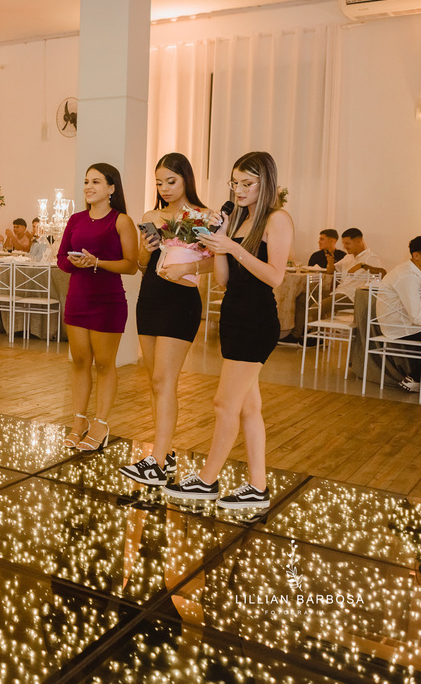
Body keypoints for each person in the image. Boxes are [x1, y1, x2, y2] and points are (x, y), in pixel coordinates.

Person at [165, 151, 294, 510]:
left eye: (247, 183)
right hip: (234, 317)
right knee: (249, 408)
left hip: (256, 320)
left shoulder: (277, 219)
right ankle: (257, 486)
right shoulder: (238, 219)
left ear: (265, 183)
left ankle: (207, 480)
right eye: (235, 183)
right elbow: (223, 280)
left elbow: (275, 276)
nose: (239, 189)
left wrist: (233, 247)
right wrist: (218, 242)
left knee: (224, 404)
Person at [121, 153, 213, 486]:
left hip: (181, 301)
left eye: (171, 181)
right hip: (150, 298)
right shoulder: (151, 216)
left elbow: (216, 262)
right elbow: (142, 264)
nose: (164, 188)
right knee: (156, 382)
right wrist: (146, 250)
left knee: (164, 379)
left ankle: (157, 462)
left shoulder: (202, 216)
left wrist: (189, 266)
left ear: (186, 179)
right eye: (159, 182)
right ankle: (165, 452)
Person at [57, 163, 139, 452]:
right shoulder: (76, 219)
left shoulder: (121, 221)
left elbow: (131, 265)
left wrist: (97, 262)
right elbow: (61, 259)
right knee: (79, 362)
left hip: (108, 301)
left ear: (111, 188)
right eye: (86, 181)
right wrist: (75, 262)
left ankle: (101, 423)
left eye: (96, 182)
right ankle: (78, 421)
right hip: (78, 298)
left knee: (104, 364)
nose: (89, 187)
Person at [282, 227, 385, 345]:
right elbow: (331, 271)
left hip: (352, 295)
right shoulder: (348, 257)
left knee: (316, 307)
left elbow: (382, 273)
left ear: (358, 241)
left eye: (347, 243)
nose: (345, 246)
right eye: (343, 243)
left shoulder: (370, 257)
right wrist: (330, 262)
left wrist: (362, 265)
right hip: (339, 291)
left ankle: (317, 337)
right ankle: (296, 335)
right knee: (303, 298)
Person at [374, 237, 421, 385]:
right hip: (400, 327)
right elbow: (416, 317)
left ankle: (414, 377)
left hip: (406, 321)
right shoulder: (408, 276)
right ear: (416, 255)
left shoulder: (413, 271)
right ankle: (414, 378)